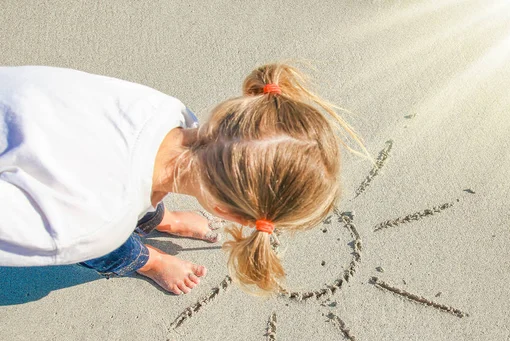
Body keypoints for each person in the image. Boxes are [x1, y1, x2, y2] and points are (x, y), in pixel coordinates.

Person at [0, 63, 365, 295]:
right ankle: (152, 260)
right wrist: (104, 236)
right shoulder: (94, 226)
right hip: (92, 220)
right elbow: (89, 217)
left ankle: (162, 219)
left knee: (133, 196)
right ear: (226, 211)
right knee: (109, 244)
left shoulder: (167, 111)